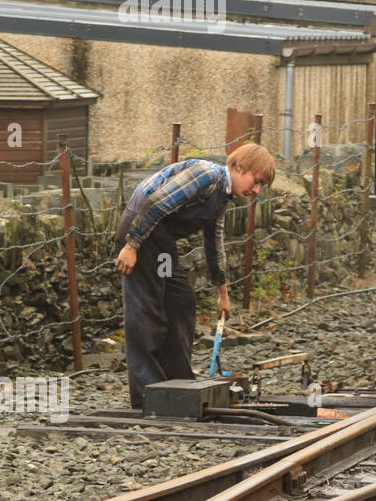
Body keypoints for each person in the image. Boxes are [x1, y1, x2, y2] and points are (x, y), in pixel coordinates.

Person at [113, 142, 275, 409]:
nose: (256, 190)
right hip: (141, 232)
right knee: (146, 310)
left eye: (261, 186)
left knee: (180, 300)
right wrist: (132, 245)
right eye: (255, 181)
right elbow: (155, 203)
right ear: (239, 166)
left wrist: (222, 293)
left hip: (161, 241)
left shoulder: (222, 197)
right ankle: (146, 396)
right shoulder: (206, 175)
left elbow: (214, 242)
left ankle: (177, 384)